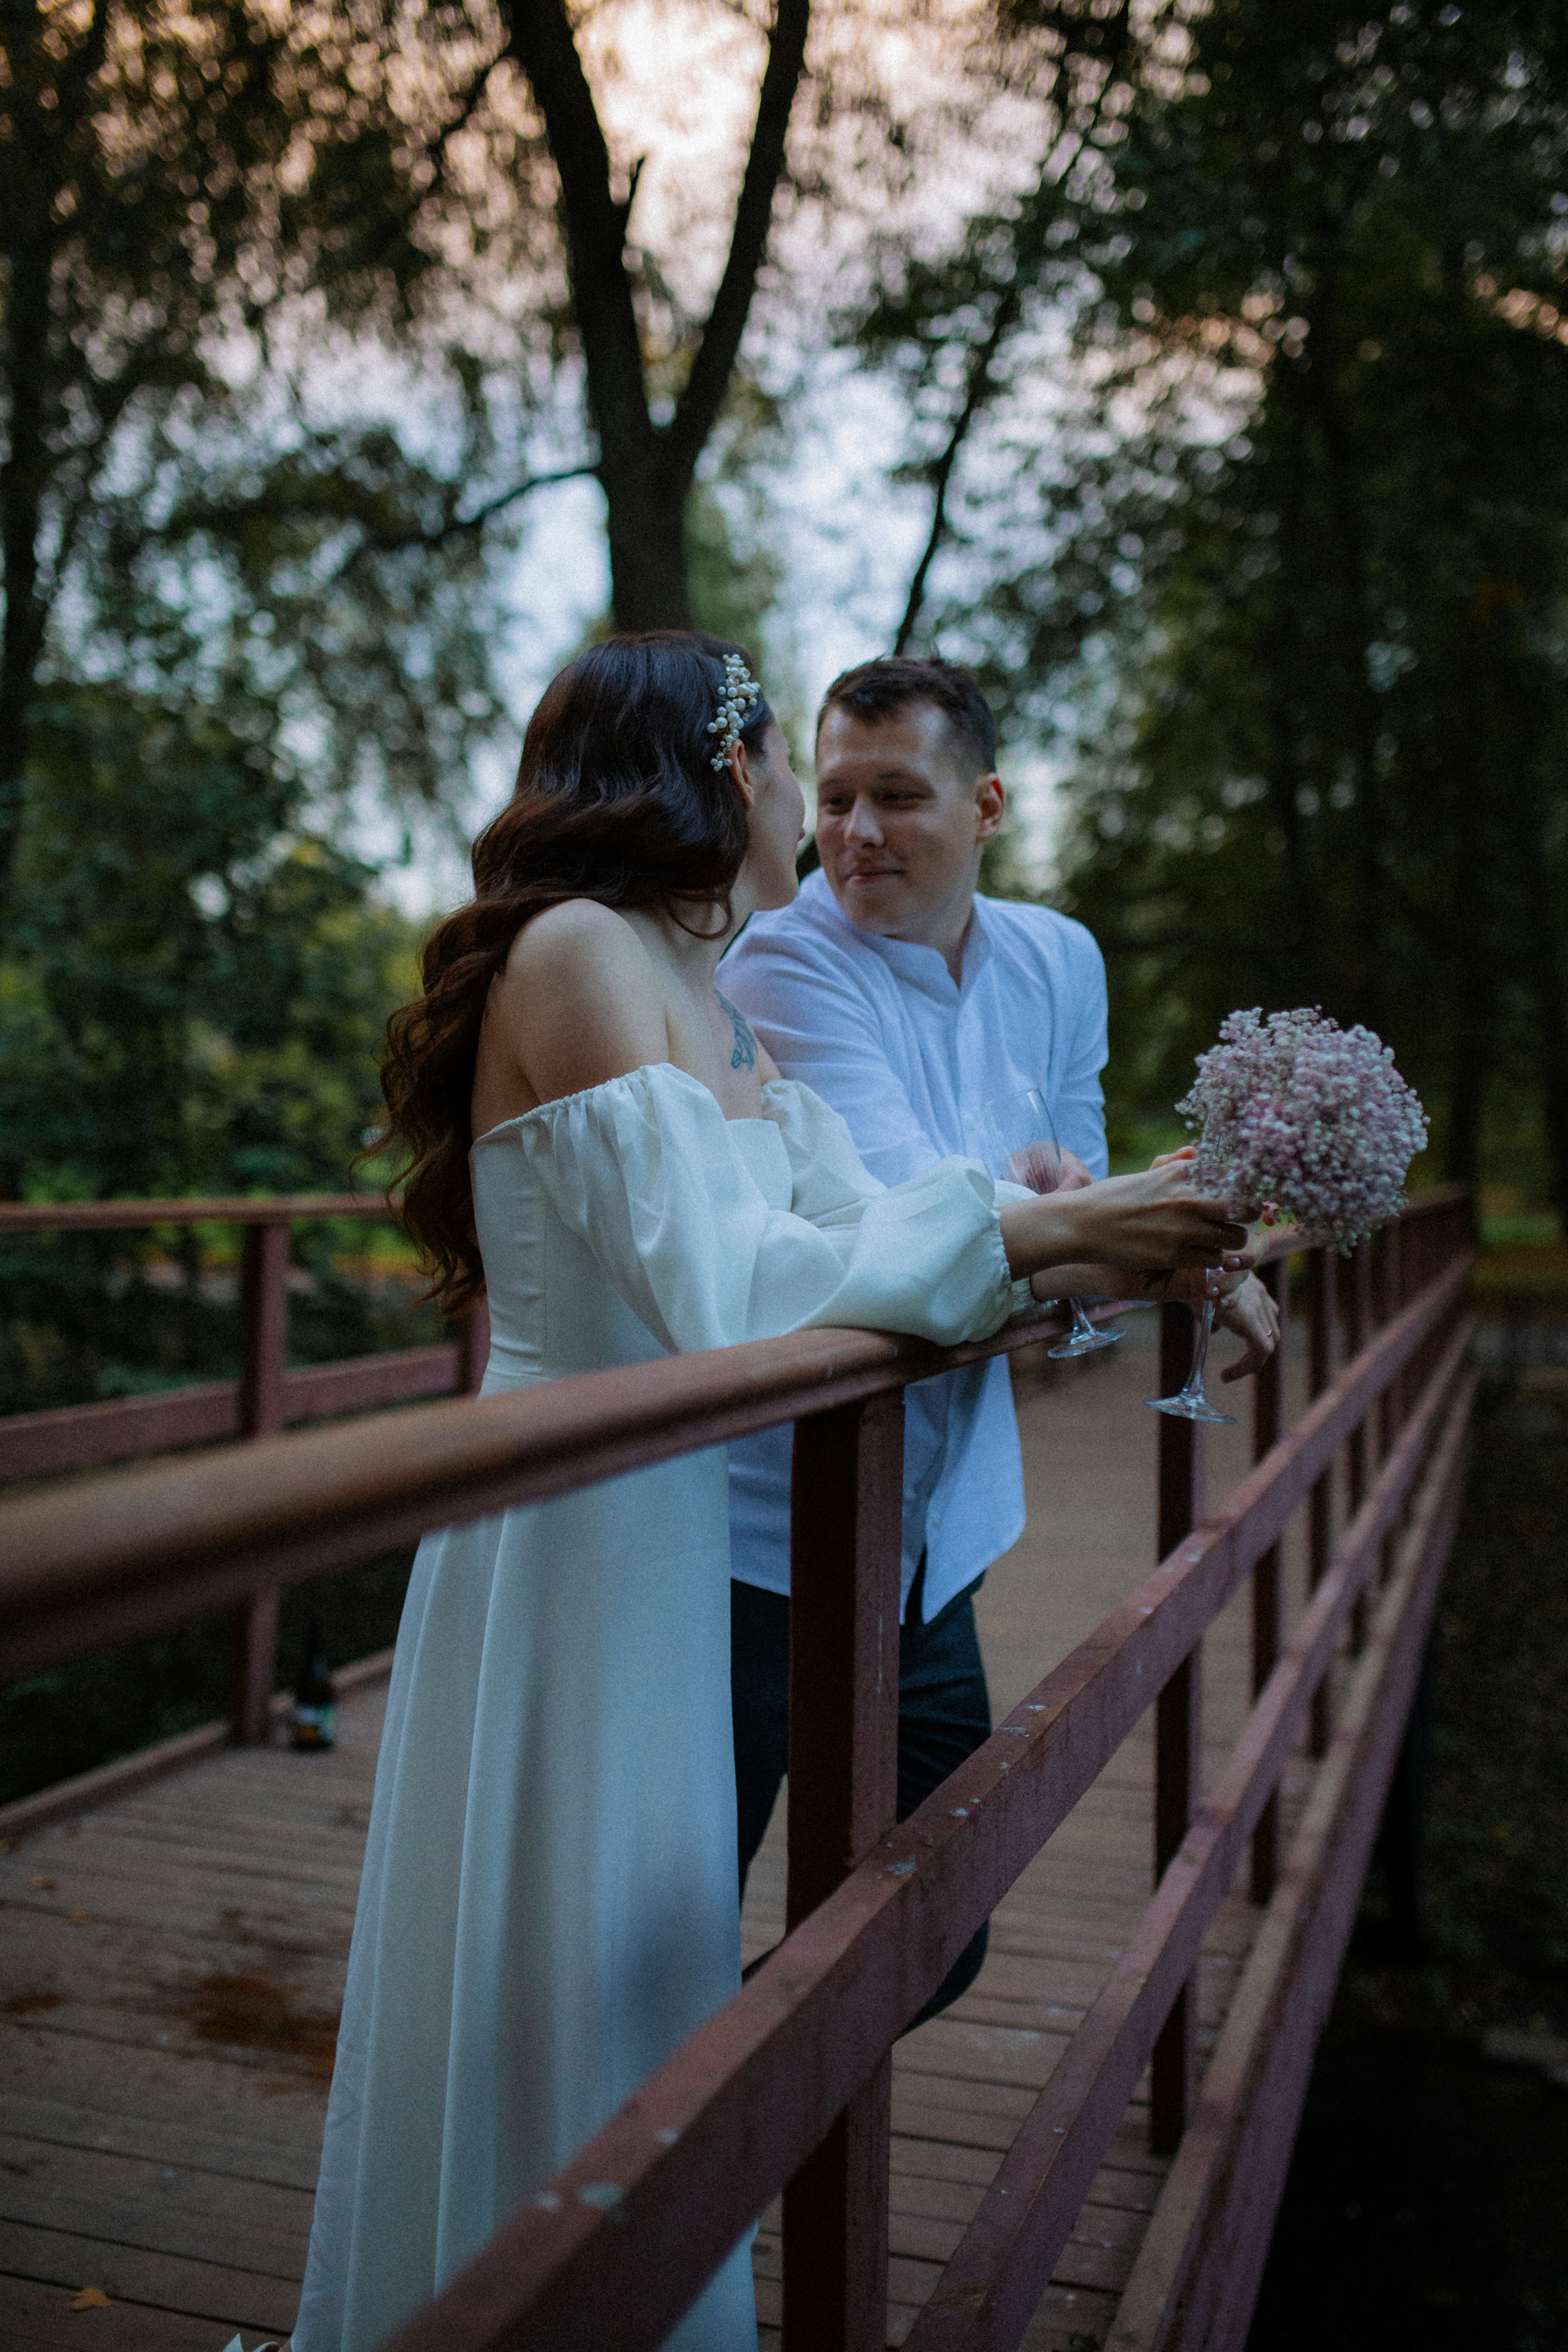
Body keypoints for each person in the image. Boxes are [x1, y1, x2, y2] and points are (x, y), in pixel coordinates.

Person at [290, 633, 1251, 2352]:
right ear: (736, 775)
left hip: (661, 1524)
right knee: (565, 1962)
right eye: (808, 776)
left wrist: (1139, 1219)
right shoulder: (578, 954)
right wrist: (1059, 1230)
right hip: (577, 1526)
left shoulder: (697, 983)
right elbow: (734, 1291)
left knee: (646, 1982)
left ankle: (616, 2258)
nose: (823, 819)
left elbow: (851, 1231)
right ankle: (529, 2280)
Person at [722, 657, 1279, 2015]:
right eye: (835, 796)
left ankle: (687, 2133)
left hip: (937, 1533)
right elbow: (922, 1227)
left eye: (897, 797)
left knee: (935, 1929)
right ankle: (644, 2165)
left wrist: (1120, 1242)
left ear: (986, 805)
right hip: (748, 1543)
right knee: (685, 1921)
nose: (851, 834)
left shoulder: (1058, 957)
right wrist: (1140, 1240)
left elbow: (1059, 1208)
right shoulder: (780, 959)